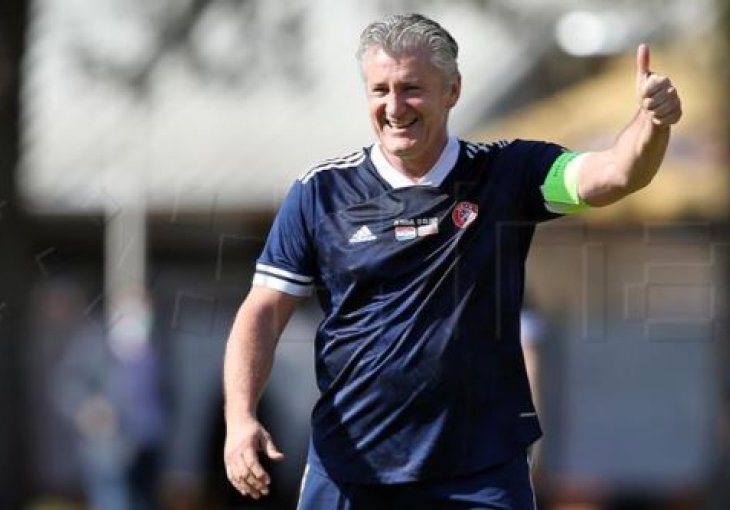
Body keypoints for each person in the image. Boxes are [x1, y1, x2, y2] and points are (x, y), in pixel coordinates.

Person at [223, 13, 681, 510]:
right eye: (380, 90)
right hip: (352, 466)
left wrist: (651, 124)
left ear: (452, 91)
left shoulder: (507, 172)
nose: (394, 107)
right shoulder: (321, 192)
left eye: (411, 89)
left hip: (479, 472)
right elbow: (262, 311)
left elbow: (615, 173)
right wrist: (240, 417)